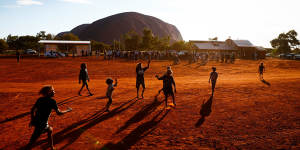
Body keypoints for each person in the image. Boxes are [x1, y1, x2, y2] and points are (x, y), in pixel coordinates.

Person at [26, 85, 72, 150]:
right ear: (49, 92)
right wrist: (68, 110)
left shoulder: (40, 99)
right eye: (53, 90)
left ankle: (52, 147)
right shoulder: (52, 101)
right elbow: (59, 113)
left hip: (37, 121)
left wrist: (32, 119)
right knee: (31, 142)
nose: (54, 92)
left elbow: (32, 110)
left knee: (50, 130)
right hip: (42, 124)